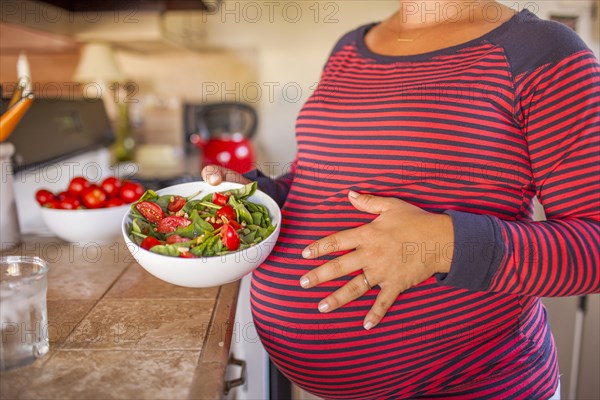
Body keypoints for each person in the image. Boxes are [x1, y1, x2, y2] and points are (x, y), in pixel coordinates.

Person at [202, 1, 600, 398]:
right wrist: (256, 196)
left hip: (477, 386)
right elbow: (316, 184)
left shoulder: (542, 51)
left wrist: (440, 245)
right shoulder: (349, 48)